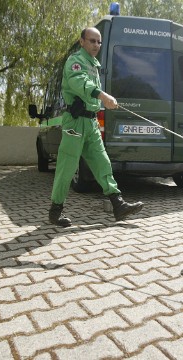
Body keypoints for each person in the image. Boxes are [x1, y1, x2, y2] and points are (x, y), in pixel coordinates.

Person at [49, 27, 144, 227]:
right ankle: (55, 210)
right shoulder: (75, 61)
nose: (96, 45)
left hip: (91, 122)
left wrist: (102, 101)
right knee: (67, 166)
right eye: (92, 41)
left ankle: (118, 205)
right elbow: (79, 83)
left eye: (99, 42)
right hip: (75, 122)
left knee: (103, 162)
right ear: (82, 41)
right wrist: (103, 96)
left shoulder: (94, 64)